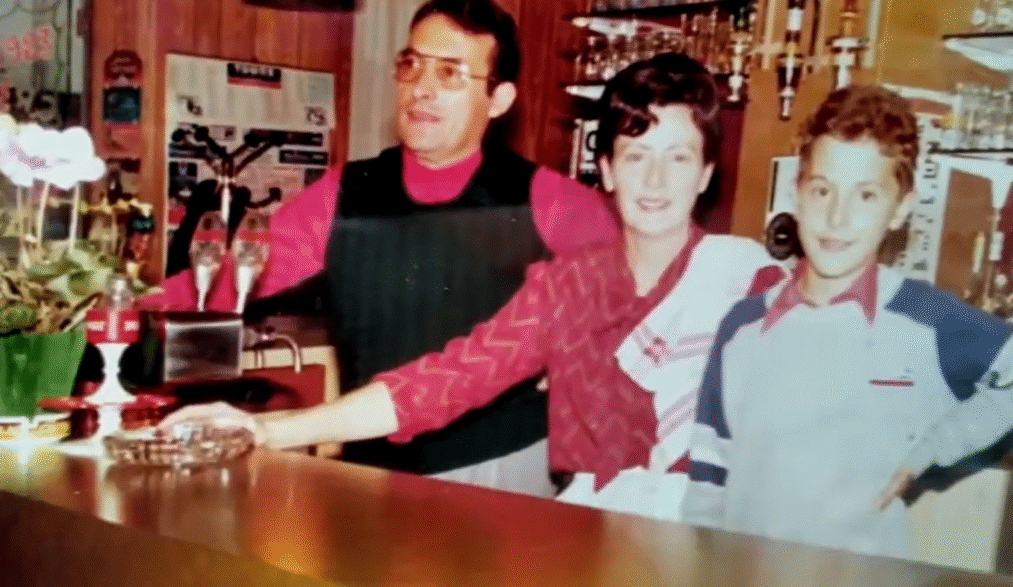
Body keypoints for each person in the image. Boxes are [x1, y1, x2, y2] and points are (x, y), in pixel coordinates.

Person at [162, 53, 784, 520]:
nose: (655, 179)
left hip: (725, 539)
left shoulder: (747, 281)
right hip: (602, 536)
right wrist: (266, 431)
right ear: (605, 170)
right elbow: (439, 383)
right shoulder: (568, 289)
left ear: (705, 174)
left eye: (677, 158)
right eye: (635, 154)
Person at [151, 0, 620, 497]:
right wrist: (120, 308)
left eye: (450, 73)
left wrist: (584, 352)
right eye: (412, 65)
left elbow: (635, 294)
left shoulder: (549, 200)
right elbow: (233, 277)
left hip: (497, 466)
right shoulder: (346, 191)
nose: (421, 88)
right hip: (369, 464)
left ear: (500, 99)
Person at [682, 85, 1013, 559]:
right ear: (796, 192)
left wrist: (933, 447)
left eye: (866, 195)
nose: (836, 217)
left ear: (900, 207)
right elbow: (709, 475)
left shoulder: (927, 322)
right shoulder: (743, 325)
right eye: (822, 190)